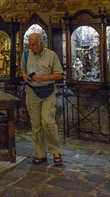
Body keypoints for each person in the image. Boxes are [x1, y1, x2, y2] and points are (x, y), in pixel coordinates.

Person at [21, 32, 64, 165]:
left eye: (33, 44)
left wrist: (43, 78)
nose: (31, 47)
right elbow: (23, 69)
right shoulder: (26, 54)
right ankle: (40, 153)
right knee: (36, 124)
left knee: (47, 121)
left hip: (48, 92)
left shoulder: (51, 55)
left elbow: (59, 75)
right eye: (29, 44)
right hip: (32, 92)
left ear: (41, 43)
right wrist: (25, 77)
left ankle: (56, 151)